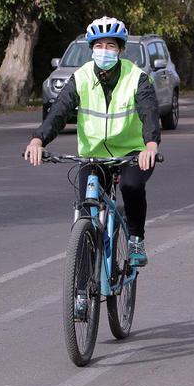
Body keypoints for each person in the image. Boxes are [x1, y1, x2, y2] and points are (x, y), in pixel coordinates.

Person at [24, 16, 160, 266]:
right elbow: (59, 111)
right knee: (87, 206)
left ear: (120, 50)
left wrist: (150, 145)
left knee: (131, 187)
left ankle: (136, 239)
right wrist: (38, 140)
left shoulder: (136, 78)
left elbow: (149, 113)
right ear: (91, 49)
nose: (104, 51)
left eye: (110, 46)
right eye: (99, 45)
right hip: (93, 155)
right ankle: (83, 278)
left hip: (132, 153)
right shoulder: (82, 77)